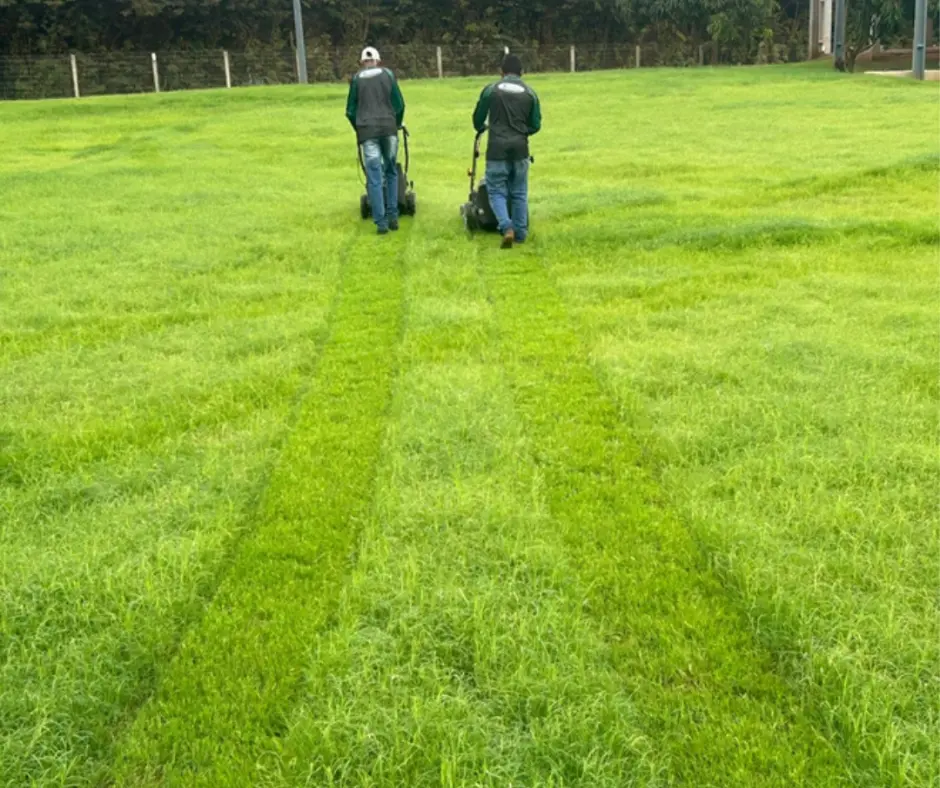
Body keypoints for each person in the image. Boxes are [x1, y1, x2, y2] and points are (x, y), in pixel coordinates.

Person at [472, 53, 541, 248]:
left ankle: (506, 226)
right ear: (522, 72)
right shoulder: (530, 93)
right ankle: (520, 233)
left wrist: (482, 127)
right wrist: (522, 131)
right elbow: (535, 124)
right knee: (519, 191)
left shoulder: (491, 90)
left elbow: (478, 118)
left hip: (497, 149)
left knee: (496, 191)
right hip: (520, 148)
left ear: (501, 72)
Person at [346, 46, 406, 235]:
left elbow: (350, 111)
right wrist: (396, 124)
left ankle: (380, 223)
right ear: (378, 61)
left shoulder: (356, 79)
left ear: (362, 62)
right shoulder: (388, 74)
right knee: (390, 171)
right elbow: (399, 104)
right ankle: (393, 217)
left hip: (367, 131)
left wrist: (359, 129)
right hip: (389, 129)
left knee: (374, 177)